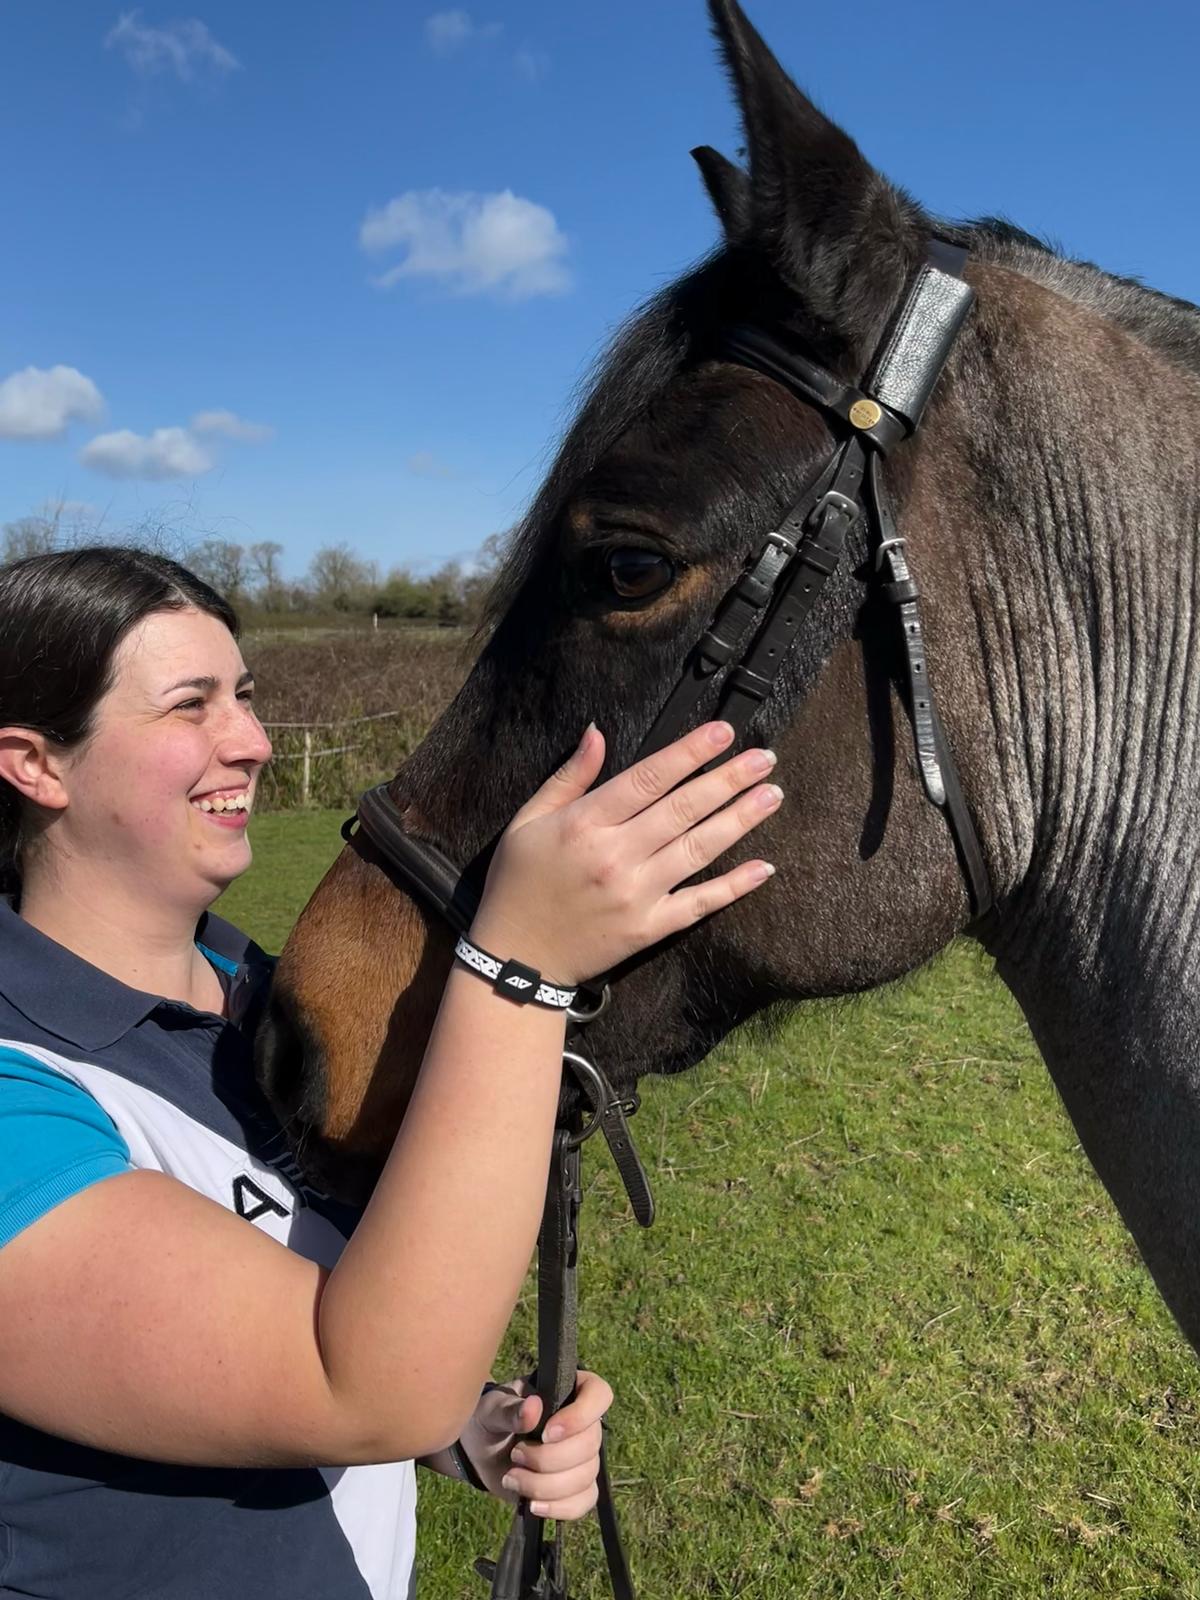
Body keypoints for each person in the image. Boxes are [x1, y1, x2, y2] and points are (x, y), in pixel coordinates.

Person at [0, 546, 781, 1599]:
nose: (253, 741)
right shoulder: (19, 1089)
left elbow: (319, 1313)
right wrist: (519, 971)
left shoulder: (264, 998)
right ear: (35, 764)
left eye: (245, 695)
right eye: (191, 705)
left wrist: (469, 1424)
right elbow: (355, 1386)